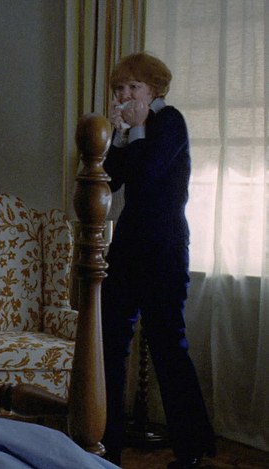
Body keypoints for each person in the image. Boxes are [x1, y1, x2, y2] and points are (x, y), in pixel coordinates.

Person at [101, 52, 216, 469]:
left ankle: (192, 448)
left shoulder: (170, 122)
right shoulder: (131, 130)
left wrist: (134, 131)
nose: (125, 95)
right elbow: (112, 180)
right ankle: (106, 443)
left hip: (164, 247)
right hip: (127, 246)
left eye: (133, 87)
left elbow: (147, 175)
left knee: (169, 345)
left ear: (153, 90)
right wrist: (118, 137)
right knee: (109, 343)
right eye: (119, 88)